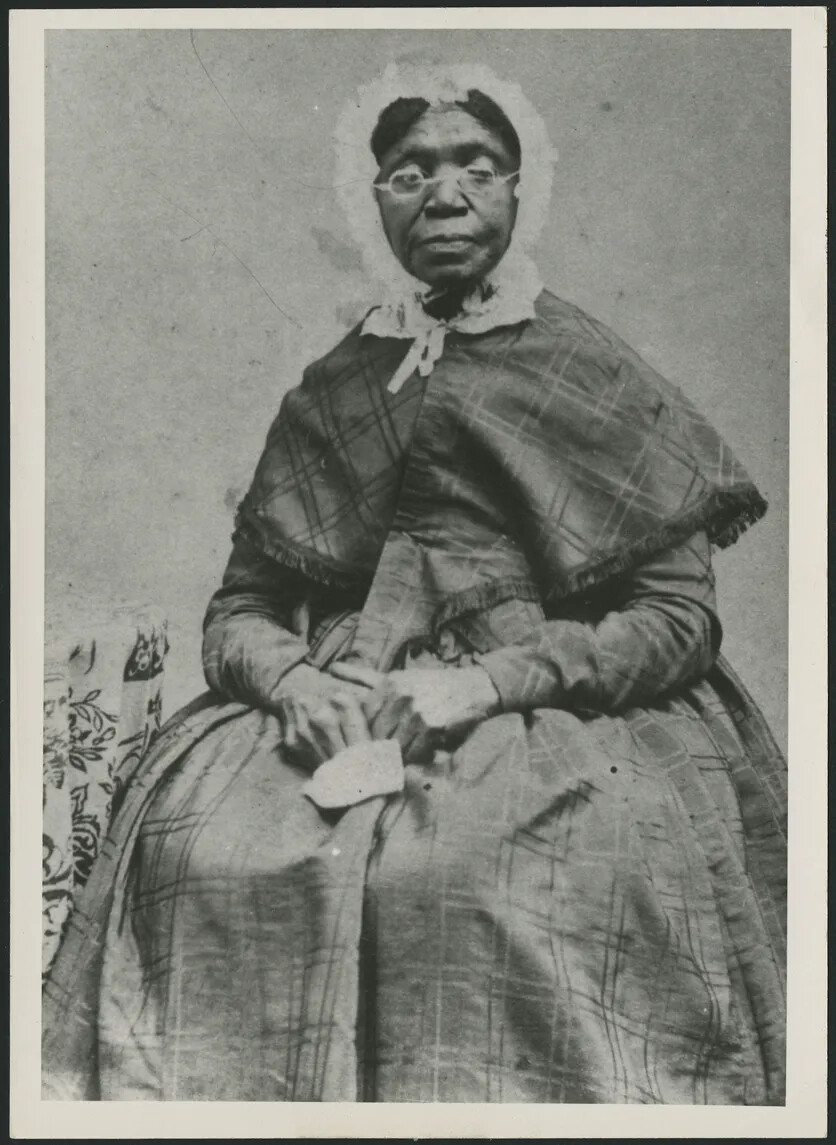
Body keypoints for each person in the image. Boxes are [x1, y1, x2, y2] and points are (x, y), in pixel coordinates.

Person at [42, 62, 787, 1104]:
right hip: (342, 701)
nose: (443, 193)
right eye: (408, 171)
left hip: (551, 709)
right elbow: (242, 607)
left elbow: (676, 618)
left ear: (519, 190)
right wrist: (298, 684)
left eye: (475, 166)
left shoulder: (588, 368)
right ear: (370, 197)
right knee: (213, 859)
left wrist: (488, 683)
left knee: (459, 882)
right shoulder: (339, 383)